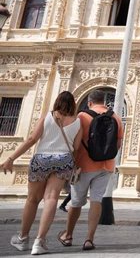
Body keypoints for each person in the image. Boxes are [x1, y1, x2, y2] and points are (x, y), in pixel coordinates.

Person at [2, 91, 82, 255]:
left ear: (57, 102)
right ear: (73, 104)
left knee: (32, 200)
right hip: (63, 160)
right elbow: (77, 147)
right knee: (51, 198)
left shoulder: (47, 117)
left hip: (42, 159)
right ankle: (40, 241)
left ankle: (23, 238)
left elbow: (31, 139)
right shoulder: (78, 122)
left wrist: (11, 158)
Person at [58, 89, 124, 252]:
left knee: (76, 201)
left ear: (89, 102)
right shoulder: (115, 117)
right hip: (106, 167)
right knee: (97, 200)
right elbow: (118, 144)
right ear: (104, 101)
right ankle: (89, 239)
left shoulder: (81, 117)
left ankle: (68, 235)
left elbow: (75, 143)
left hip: (83, 166)